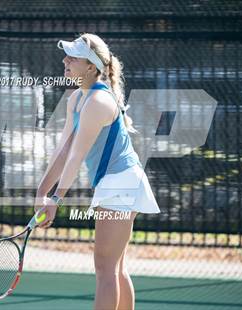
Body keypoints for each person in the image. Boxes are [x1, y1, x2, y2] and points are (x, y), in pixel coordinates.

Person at [34, 33, 160, 310]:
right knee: (114, 266)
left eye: (73, 56)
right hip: (119, 182)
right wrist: (42, 192)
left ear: (91, 66)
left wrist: (55, 200)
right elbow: (64, 149)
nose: (65, 60)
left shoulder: (98, 103)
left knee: (105, 268)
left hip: (122, 182)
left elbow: (76, 155)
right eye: (67, 54)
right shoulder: (77, 99)